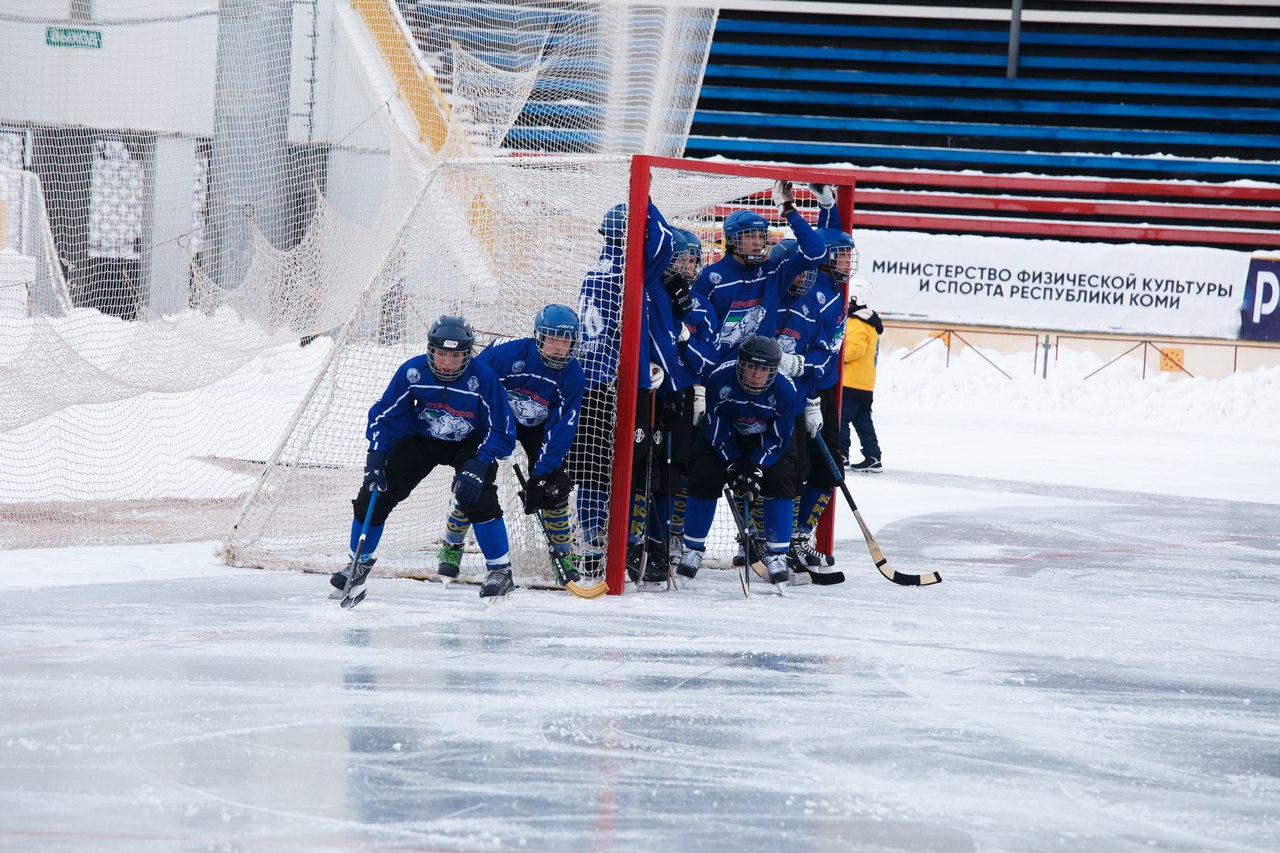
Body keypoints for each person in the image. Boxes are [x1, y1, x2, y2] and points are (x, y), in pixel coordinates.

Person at [329, 315, 517, 601]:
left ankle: (500, 571)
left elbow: (502, 429)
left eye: (455, 356)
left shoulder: (484, 378)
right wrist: (376, 459)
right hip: (422, 438)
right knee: (376, 493)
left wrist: (480, 463)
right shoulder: (412, 372)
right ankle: (359, 563)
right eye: (441, 354)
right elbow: (384, 416)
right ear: (431, 350)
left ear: (468, 355)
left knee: (476, 495)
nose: (446, 362)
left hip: (470, 442)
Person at [570, 200, 690, 585]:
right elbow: (667, 241)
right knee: (633, 470)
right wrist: (647, 198)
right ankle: (625, 546)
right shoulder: (628, 270)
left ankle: (592, 548)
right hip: (620, 385)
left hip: (591, 381)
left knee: (594, 471)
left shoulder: (598, 268)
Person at [436, 305, 586, 587]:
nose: (558, 347)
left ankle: (563, 556)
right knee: (472, 480)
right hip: (495, 418)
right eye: (552, 339)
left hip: (537, 425)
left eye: (565, 341)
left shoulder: (573, 375)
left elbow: (562, 425)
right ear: (538, 337)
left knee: (554, 487)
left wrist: (542, 474)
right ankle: (452, 544)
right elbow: (474, 385)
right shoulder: (505, 356)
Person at [672, 335, 803, 587]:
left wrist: (756, 467)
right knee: (704, 476)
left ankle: (777, 555)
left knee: (782, 479)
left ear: (773, 371)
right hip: (726, 437)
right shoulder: (719, 380)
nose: (756, 375)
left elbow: (779, 439)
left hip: (767, 442)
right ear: (740, 364)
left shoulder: (786, 390)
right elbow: (717, 429)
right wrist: (732, 463)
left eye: (763, 370)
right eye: (752, 367)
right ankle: (693, 549)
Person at [790, 182, 859, 570]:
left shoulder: (834, 285)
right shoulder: (810, 289)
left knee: (830, 469)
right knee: (794, 470)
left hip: (825, 391)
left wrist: (828, 207)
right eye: (843, 256)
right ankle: (778, 540)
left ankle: (801, 536)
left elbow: (828, 238)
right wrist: (809, 392)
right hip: (801, 393)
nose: (848, 261)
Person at [841, 277, 883, 473]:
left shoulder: (858, 321)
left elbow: (855, 349)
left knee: (841, 418)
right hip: (864, 383)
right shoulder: (870, 321)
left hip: (852, 381)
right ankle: (873, 456)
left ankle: (841, 454)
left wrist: (840, 355)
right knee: (862, 420)